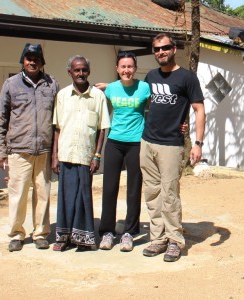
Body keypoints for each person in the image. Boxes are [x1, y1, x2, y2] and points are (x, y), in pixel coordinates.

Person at [140, 32, 205, 262]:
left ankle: (175, 240)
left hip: (171, 145)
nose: (161, 52)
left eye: (165, 48)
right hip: (147, 142)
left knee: (169, 194)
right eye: (157, 49)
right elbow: (136, 96)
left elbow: (199, 109)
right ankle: (157, 239)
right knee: (152, 193)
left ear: (174, 49)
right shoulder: (150, 76)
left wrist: (197, 143)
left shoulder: (187, 78)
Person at [0, 43, 59, 252]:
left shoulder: (52, 84)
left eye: (37, 58)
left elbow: (58, 118)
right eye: (28, 58)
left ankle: (40, 233)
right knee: (18, 195)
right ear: (22, 60)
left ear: (42, 61)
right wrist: (0, 151)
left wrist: (56, 152)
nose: (32, 62)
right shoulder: (11, 84)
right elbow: (1, 118)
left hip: (44, 151)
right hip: (19, 150)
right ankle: (16, 234)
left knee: (43, 193)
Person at [52, 55, 110, 252]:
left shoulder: (98, 96)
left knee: (83, 197)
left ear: (89, 72)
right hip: (66, 154)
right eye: (76, 70)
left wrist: (97, 155)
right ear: (70, 72)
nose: (81, 73)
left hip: (86, 156)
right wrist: (54, 156)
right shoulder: (62, 96)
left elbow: (102, 128)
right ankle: (63, 238)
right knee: (66, 197)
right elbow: (57, 128)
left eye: (84, 70)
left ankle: (83, 239)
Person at [98, 52, 151, 252]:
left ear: (135, 68)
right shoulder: (111, 88)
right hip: (114, 142)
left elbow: (159, 108)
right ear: (117, 69)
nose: (126, 70)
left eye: (130, 67)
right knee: (109, 188)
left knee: (133, 189)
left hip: (136, 143)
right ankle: (107, 232)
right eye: (123, 67)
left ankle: (129, 232)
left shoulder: (144, 88)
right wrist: (102, 87)